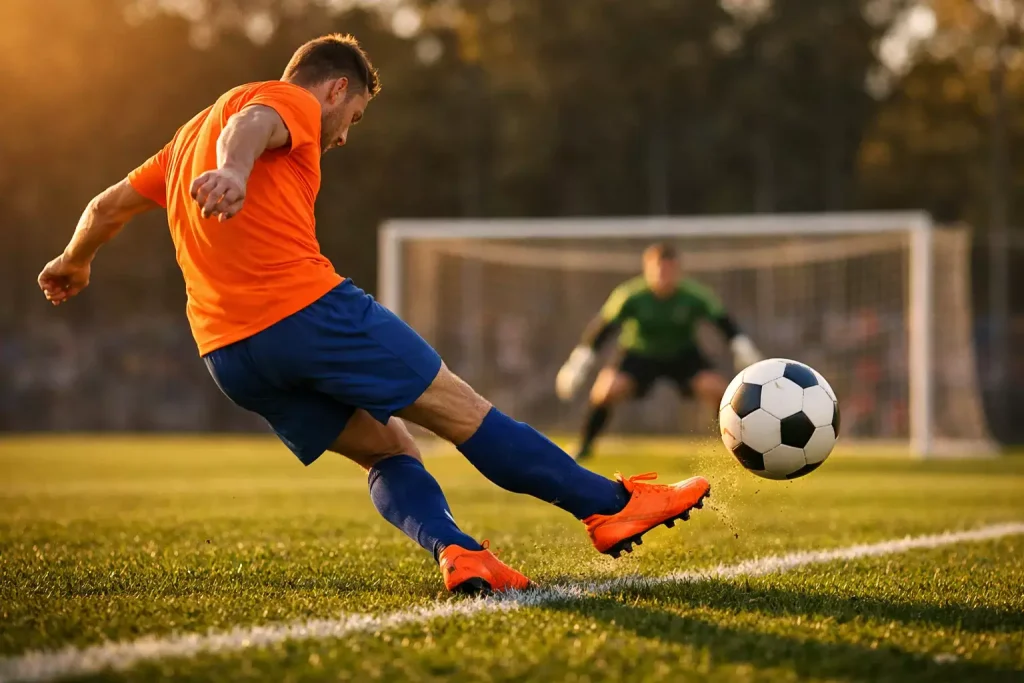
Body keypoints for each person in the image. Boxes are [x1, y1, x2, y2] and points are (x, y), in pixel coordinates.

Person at [37, 34, 710, 595]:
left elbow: (106, 207)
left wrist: (74, 260)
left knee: (389, 449)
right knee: (462, 410)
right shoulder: (286, 100)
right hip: (306, 313)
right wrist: (235, 173)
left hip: (230, 356)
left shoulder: (184, 139)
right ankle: (611, 507)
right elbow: (251, 128)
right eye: (352, 117)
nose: (343, 136)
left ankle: (458, 553)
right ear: (336, 90)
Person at [556, 243, 763, 461]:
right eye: (659, 270)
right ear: (647, 270)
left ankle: (735, 446)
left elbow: (724, 323)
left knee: (719, 391)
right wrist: (577, 363)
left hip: (682, 355)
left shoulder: (693, 295)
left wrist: (743, 348)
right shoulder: (631, 295)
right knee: (605, 391)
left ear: (677, 271)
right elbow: (604, 329)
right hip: (639, 354)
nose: (664, 276)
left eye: (669, 270)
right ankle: (585, 445)